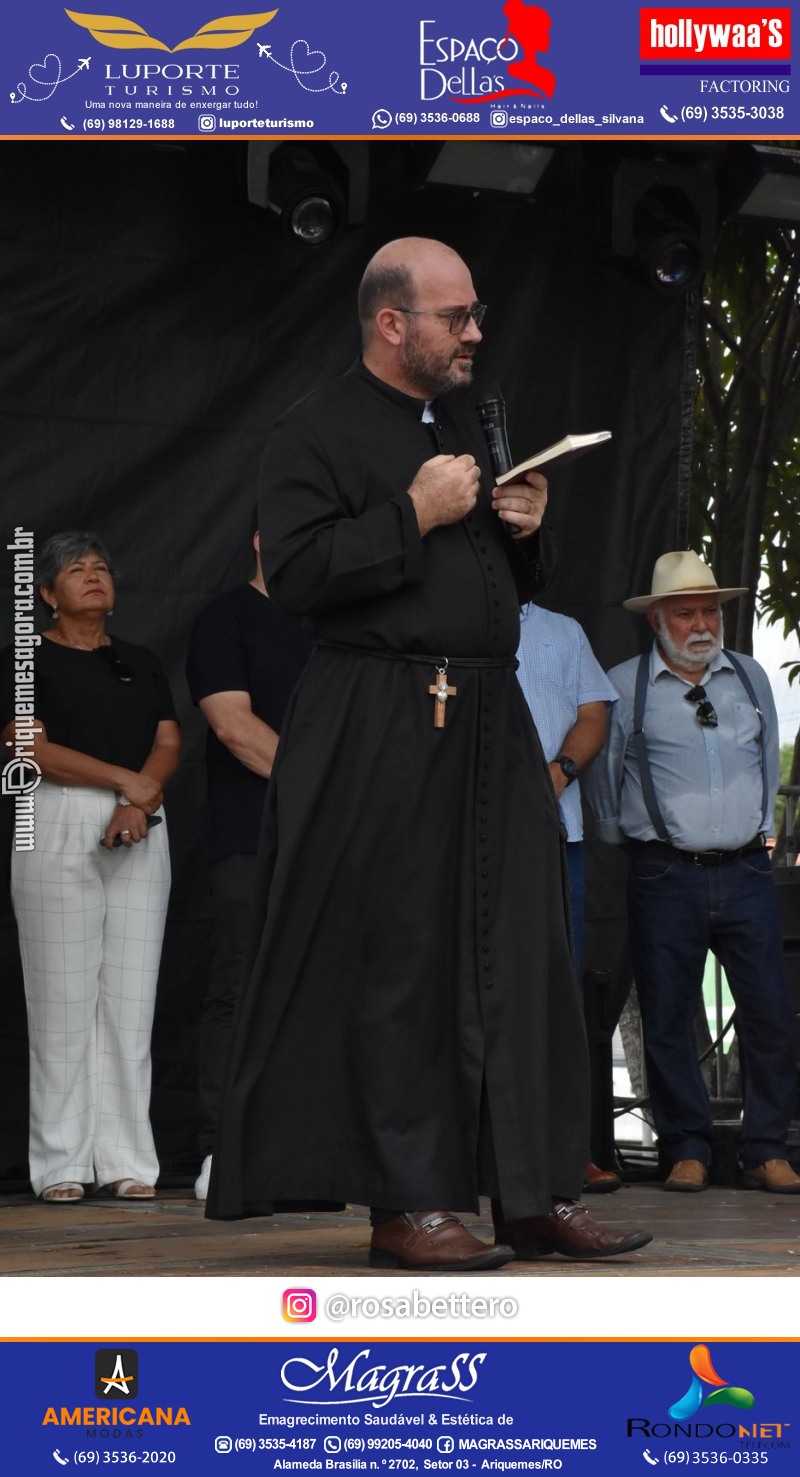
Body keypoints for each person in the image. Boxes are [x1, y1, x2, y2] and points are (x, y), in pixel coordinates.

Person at [206, 236, 651, 1267]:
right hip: (383, 711)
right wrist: (413, 511)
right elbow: (303, 576)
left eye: (476, 313)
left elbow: (495, 582)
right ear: (390, 322)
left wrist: (521, 528)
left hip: (489, 716)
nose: (475, 332)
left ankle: (533, 1190)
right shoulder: (308, 430)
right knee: (402, 957)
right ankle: (407, 1202)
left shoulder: (460, 421)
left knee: (523, 955)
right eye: (456, 316)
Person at [586, 550, 800, 1194]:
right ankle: (687, 1147)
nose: (702, 623)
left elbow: (765, 757)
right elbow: (605, 777)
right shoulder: (624, 686)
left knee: (768, 1010)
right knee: (669, 1013)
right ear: (657, 620)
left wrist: (755, 829)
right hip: (663, 873)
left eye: (709, 610)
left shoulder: (751, 677)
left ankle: (766, 1148)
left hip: (743, 871)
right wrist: (624, 840)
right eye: (686, 613)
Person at [0, 531, 180, 1202]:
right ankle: (62, 1164)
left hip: (140, 817)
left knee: (132, 1000)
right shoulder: (27, 657)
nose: (93, 575)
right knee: (62, 999)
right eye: (76, 569)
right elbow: (28, 746)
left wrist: (141, 793)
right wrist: (123, 783)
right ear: (47, 593)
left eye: (101, 566)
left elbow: (168, 735)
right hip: (56, 813)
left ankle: (130, 1160)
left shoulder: (140, 659)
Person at [186, 515, 311, 1201]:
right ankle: (221, 1150)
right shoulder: (225, 618)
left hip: (331, 843)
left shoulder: (334, 625)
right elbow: (233, 725)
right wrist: (317, 787)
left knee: (320, 991)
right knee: (239, 989)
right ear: (262, 538)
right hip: (248, 838)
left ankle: (309, 1154)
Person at [515, 600, 623, 1194]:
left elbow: (593, 712)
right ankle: (468, 1154)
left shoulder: (564, 630)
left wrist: (553, 774)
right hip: (466, 834)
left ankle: (564, 1151)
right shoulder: (443, 614)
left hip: (560, 836)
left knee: (559, 992)